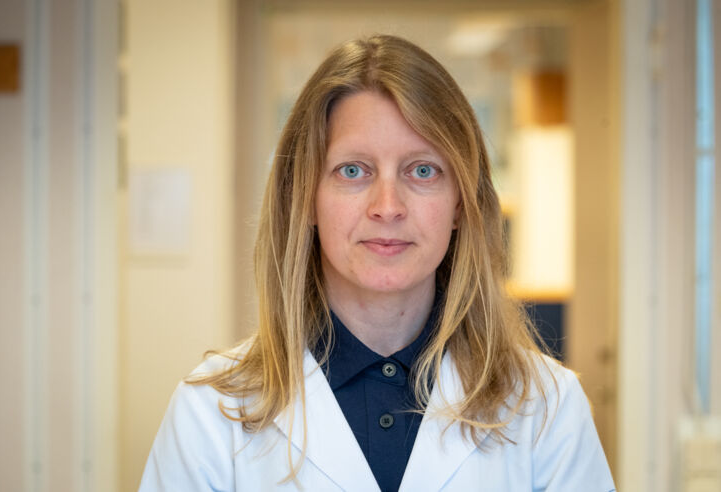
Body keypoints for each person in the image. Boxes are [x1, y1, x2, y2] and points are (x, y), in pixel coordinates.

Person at [139, 34, 615, 492]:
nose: (387, 206)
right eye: (353, 171)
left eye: (422, 170)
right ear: (305, 198)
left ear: (460, 203)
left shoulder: (548, 410)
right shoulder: (210, 413)